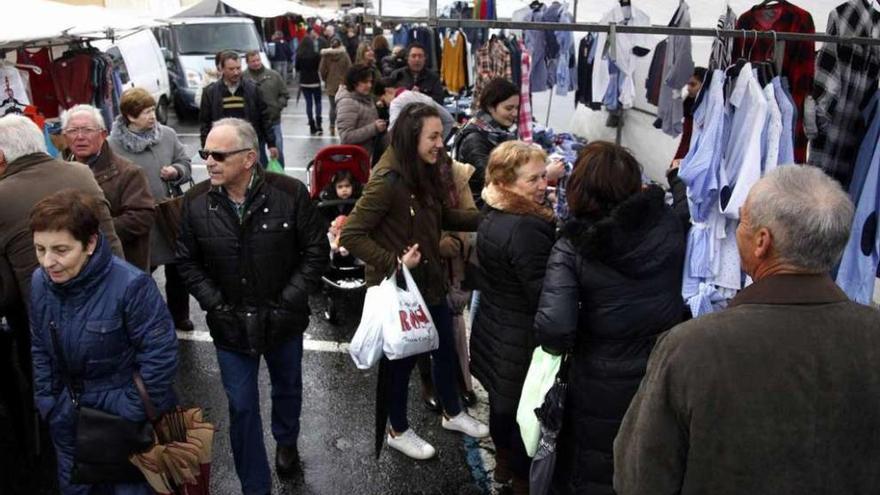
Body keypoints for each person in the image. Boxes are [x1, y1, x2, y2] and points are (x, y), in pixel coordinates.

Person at [613, 165, 880, 494]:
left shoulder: (693, 346)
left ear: (762, 242)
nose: (738, 229)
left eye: (743, 221)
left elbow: (640, 479)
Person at [176, 118, 328, 492]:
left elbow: (315, 252)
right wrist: (215, 305)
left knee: (288, 388)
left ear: (248, 158)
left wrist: (287, 302)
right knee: (242, 407)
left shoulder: (290, 193)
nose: (208, 161)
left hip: (283, 321)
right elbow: (186, 261)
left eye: (218, 155)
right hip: (230, 325)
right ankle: (255, 486)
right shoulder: (195, 203)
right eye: (204, 153)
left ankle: (287, 440)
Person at [533, 142, 686, 494]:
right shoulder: (669, 228)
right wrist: (676, 181)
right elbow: (685, 211)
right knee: (647, 462)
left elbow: (554, 331)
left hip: (597, 380)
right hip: (661, 372)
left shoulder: (573, 247)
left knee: (594, 467)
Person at [340, 103, 489, 460]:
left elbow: (439, 215)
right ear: (411, 137)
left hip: (430, 280)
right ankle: (397, 429)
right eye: (433, 136)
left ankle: (452, 413)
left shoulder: (424, 170)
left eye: (442, 135)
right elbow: (353, 234)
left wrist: (486, 218)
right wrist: (393, 262)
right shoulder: (386, 181)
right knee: (401, 363)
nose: (441, 143)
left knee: (442, 348)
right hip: (401, 289)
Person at [0, 115, 124, 489]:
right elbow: (112, 240)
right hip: (108, 303)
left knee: (58, 406)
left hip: (40, 318)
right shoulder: (81, 174)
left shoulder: (3, 194)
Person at [29, 189, 178, 495]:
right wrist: (48, 400)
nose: (48, 262)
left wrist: (129, 409)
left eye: (60, 249)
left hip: (121, 423)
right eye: (40, 249)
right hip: (68, 419)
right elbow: (40, 346)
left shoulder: (132, 286)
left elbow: (160, 355)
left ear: (91, 243)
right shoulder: (39, 284)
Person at [469, 140, 556, 492]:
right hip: (519, 338)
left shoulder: (493, 211)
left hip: (494, 326)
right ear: (506, 183)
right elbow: (541, 293)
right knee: (524, 414)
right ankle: (519, 475)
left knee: (501, 405)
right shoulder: (527, 227)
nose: (542, 186)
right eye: (532, 180)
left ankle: (504, 463)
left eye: (543, 177)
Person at [108, 87, 195, 331]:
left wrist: (176, 171)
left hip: (170, 215)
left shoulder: (167, 134)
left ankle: (179, 315)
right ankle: (146, 319)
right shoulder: (112, 146)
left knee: (178, 270)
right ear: (129, 116)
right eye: (145, 112)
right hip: (136, 219)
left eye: (152, 109)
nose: (152, 115)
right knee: (140, 272)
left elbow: (185, 163)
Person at [62, 104, 155, 272]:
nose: (80, 137)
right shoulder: (60, 172)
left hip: (121, 266)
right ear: (64, 136)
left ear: (103, 134)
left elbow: (142, 218)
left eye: (87, 130)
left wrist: (89, 233)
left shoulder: (128, 172)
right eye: (73, 130)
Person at [199, 51, 278, 163]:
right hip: (222, 146)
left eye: (238, 68)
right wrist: (206, 148)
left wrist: (271, 144)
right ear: (221, 69)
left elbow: (265, 117)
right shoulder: (210, 92)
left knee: (255, 177)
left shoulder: (253, 89)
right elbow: (205, 123)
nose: (236, 72)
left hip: (249, 144)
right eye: (231, 69)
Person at [452, 77, 519, 205]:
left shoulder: (497, 132)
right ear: (490, 107)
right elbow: (493, 180)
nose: (515, 113)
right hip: (480, 207)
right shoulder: (475, 139)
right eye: (509, 108)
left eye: (516, 108)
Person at [243, 50, 290, 167]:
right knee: (258, 154)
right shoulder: (243, 78)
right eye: (253, 61)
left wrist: (277, 106)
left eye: (258, 60)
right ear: (247, 62)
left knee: (277, 149)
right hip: (254, 124)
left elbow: (285, 94)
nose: (256, 63)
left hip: (273, 121)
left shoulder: (274, 75)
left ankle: (280, 176)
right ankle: (263, 176)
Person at [336, 64, 385, 159]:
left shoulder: (365, 97)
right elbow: (346, 137)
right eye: (365, 82)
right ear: (354, 82)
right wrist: (374, 128)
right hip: (354, 160)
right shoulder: (347, 102)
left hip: (366, 155)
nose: (369, 85)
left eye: (370, 81)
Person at [670, 66, 707, 168]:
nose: (688, 88)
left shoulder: (709, 111)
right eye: (688, 84)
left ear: (704, 85)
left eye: (693, 84)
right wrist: (674, 163)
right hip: (686, 159)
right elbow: (686, 139)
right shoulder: (689, 105)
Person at [319, 38, 352, 137]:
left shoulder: (326, 56)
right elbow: (350, 68)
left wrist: (326, 79)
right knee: (344, 107)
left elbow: (322, 70)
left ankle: (332, 126)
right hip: (343, 84)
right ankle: (343, 127)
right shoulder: (344, 55)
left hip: (331, 84)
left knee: (333, 107)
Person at [296, 28, 326, 135]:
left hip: (304, 81)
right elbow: (320, 66)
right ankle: (319, 123)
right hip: (315, 80)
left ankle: (311, 124)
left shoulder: (299, 55)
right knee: (318, 102)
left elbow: (297, 68)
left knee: (309, 103)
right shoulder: (315, 55)